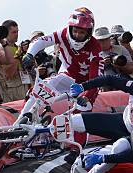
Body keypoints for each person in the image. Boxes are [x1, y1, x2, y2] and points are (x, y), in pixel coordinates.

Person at [21, 8, 102, 158]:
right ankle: (20, 124)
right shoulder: (63, 33)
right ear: (70, 28)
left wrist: (87, 94)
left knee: (82, 109)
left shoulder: (95, 47)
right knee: (40, 89)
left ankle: (76, 149)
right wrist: (29, 54)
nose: (77, 36)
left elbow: (96, 78)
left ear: (89, 33)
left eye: (82, 33)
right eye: (75, 31)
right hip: (67, 76)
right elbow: (41, 41)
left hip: (87, 84)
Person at [67, 74, 133, 173]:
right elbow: (109, 79)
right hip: (122, 122)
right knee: (73, 120)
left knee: (119, 147)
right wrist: (83, 86)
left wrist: (104, 158)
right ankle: (49, 133)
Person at [0, 20, 31, 102]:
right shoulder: (0, 50)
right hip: (13, 91)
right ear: (5, 33)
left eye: (17, 31)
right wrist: (19, 54)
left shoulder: (18, 48)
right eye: (13, 32)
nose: (17, 35)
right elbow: (9, 74)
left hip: (26, 86)